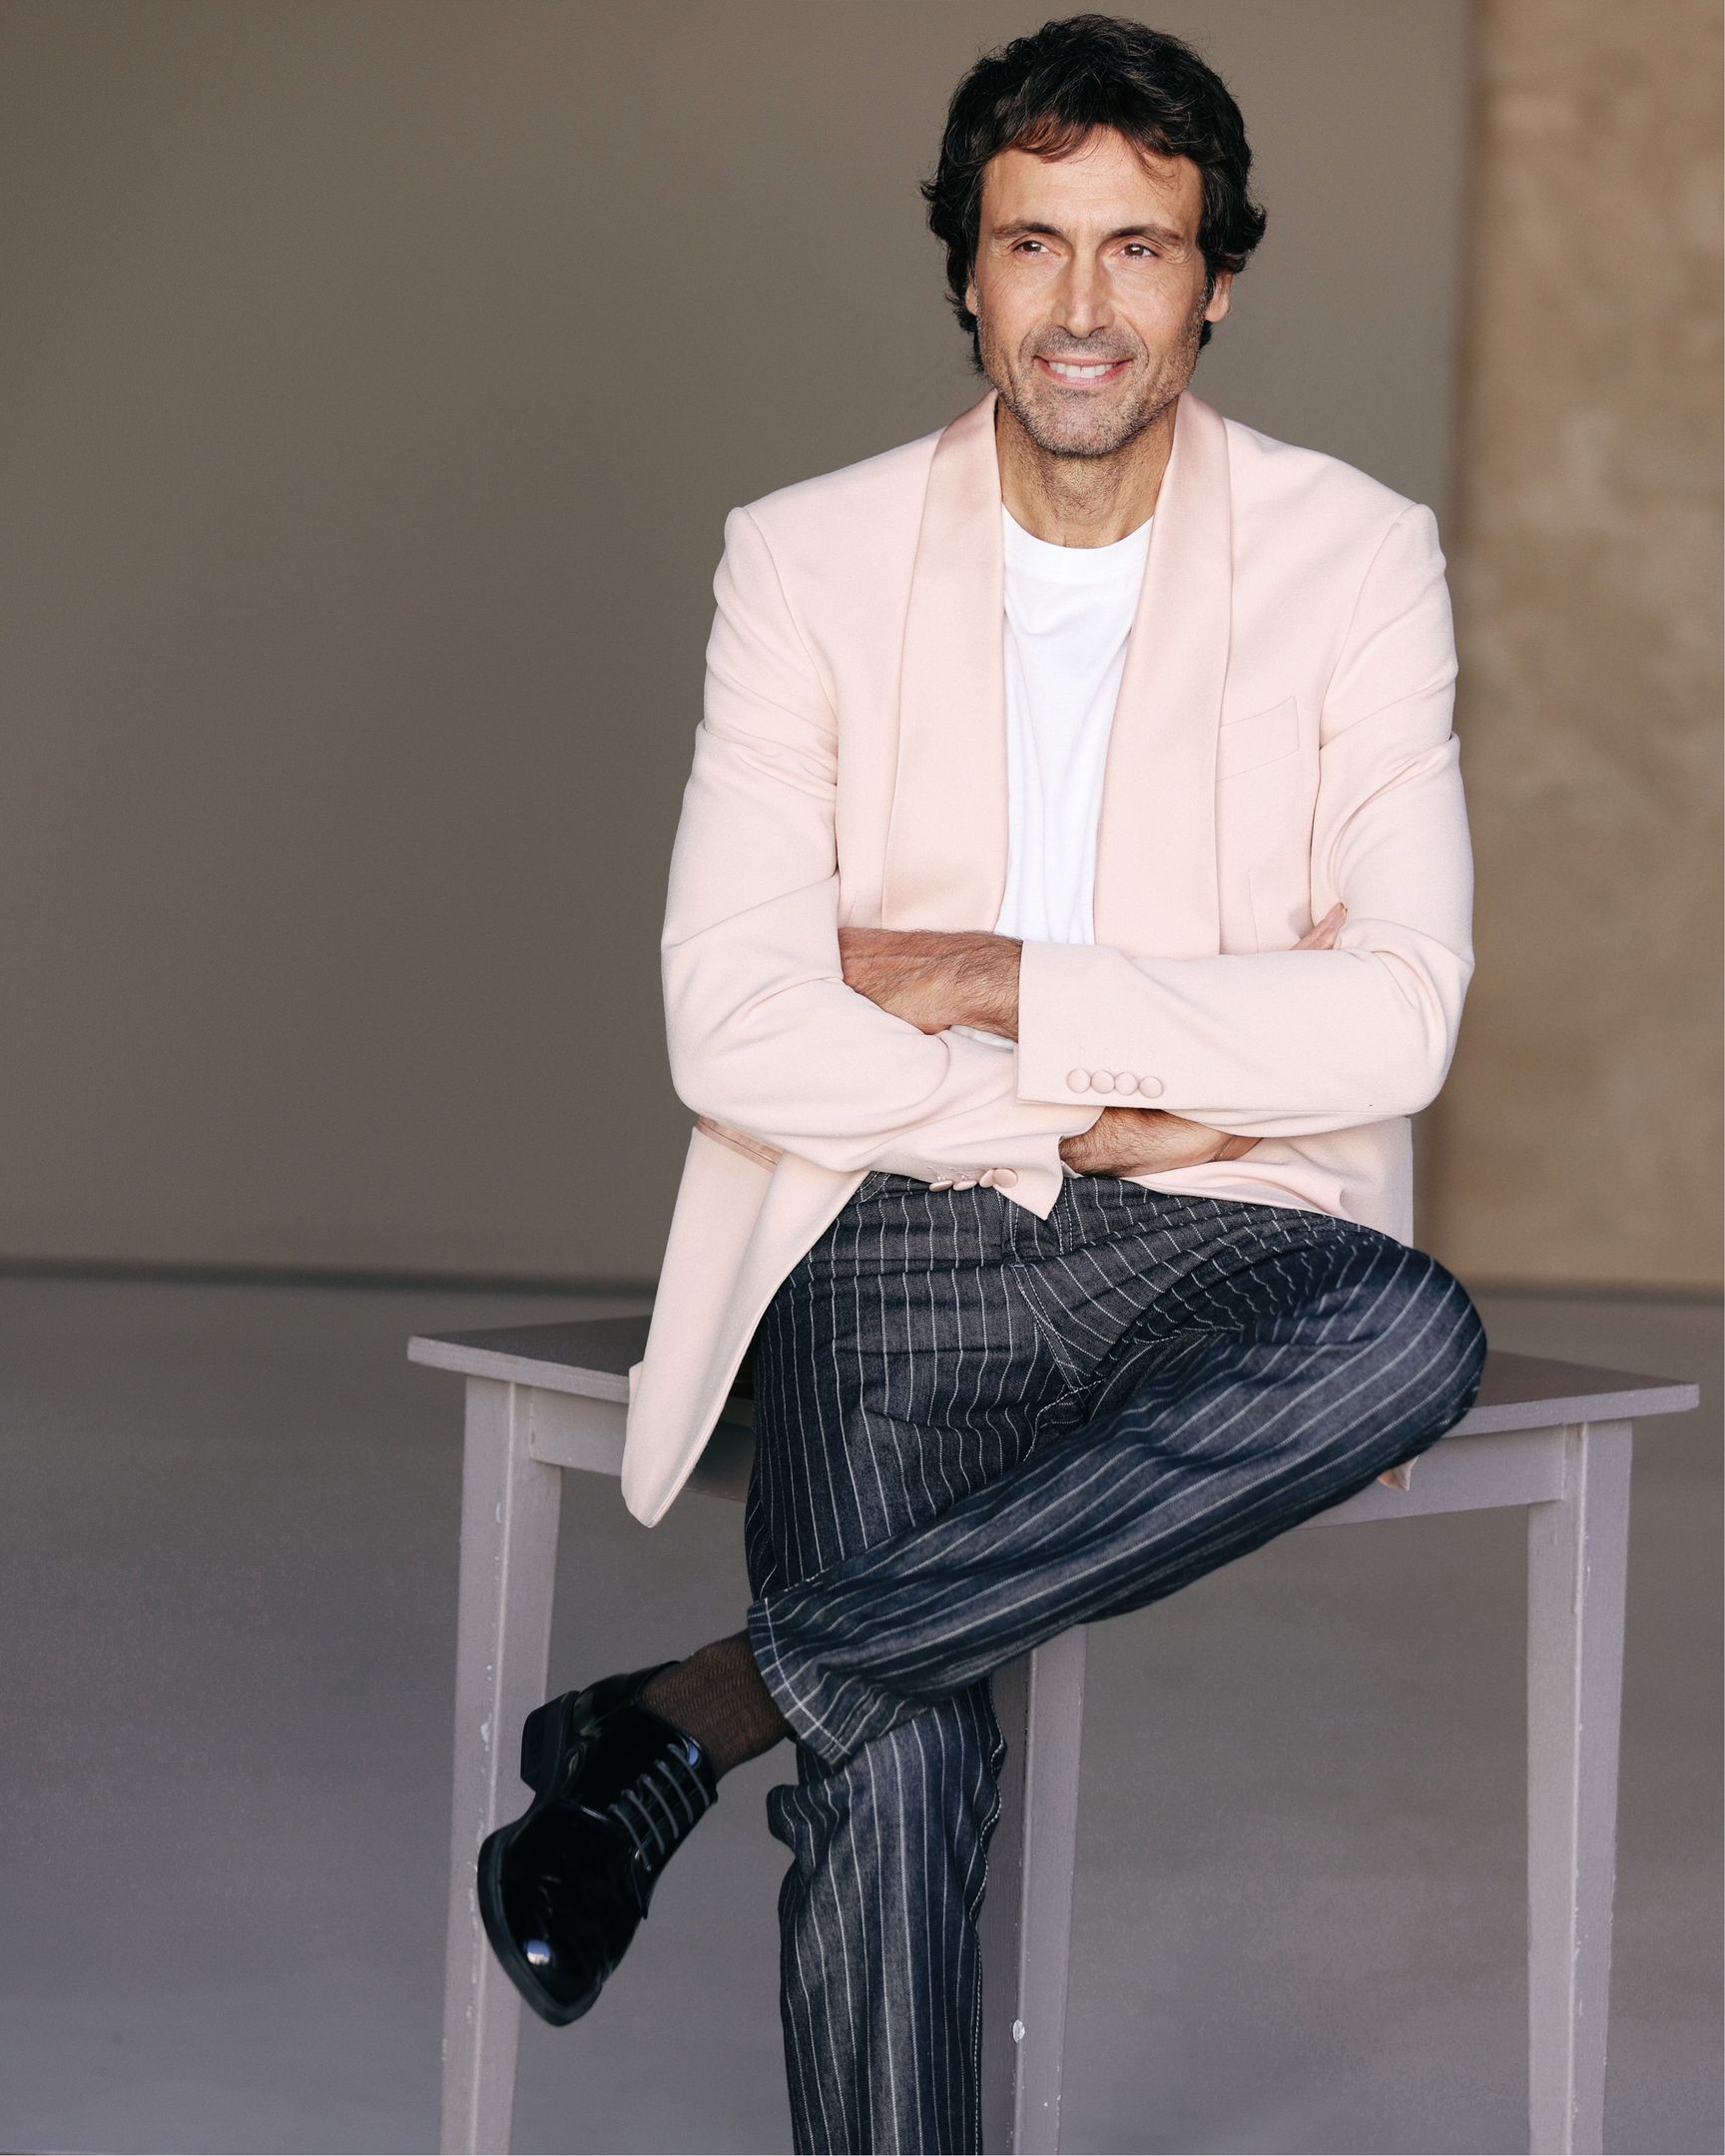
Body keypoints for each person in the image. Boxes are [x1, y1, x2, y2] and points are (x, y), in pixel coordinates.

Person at [476, 14, 1489, 2151]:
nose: (1084, 305)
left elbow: (1398, 1018)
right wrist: (1088, 1096)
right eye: (1036, 244)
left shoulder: (1355, 553)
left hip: (1218, 1230)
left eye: (1141, 247)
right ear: (968, 271)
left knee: (1405, 1336)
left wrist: (997, 981)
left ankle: (692, 1715)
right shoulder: (808, 556)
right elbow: (734, 1022)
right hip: (892, 1228)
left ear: (1217, 280)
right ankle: (759, 1716)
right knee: (906, 1758)